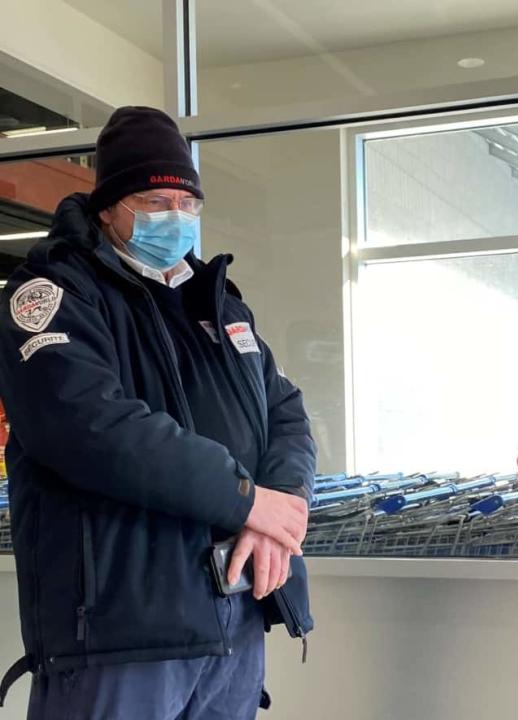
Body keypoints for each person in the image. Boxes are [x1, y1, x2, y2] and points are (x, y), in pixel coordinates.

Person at [0, 106, 316, 719]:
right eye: (152, 199)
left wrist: (282, 505)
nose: (175, 217)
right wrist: (249, 500)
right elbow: (94, 429)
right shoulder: (52, 296)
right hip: (123, 633)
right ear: (108, 207)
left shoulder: (220, 307)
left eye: (188, 204)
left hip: (237, 614)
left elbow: (287, 413)